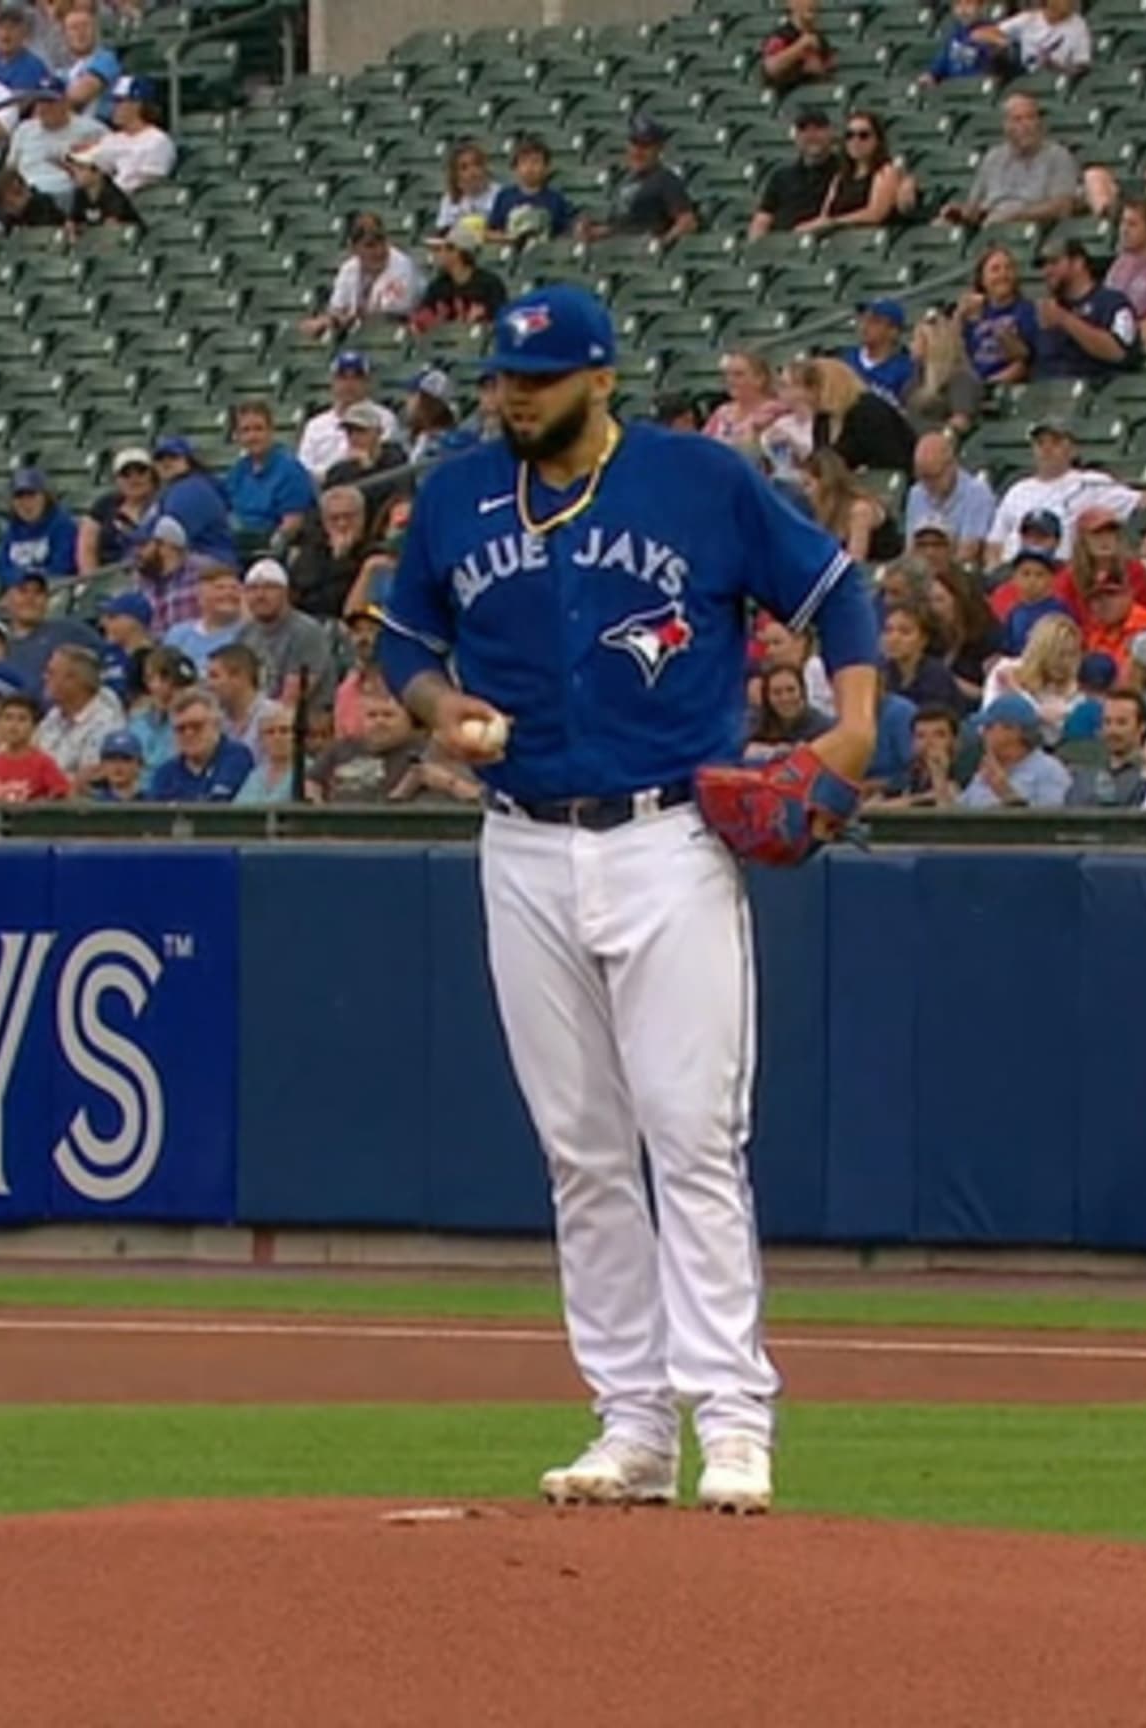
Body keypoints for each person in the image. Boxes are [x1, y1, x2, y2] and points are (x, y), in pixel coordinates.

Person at [376, 285, 881, 1518]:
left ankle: (735, 1421)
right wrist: (441, 712)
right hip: (523, 842)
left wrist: (855, 725)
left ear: (600, 379)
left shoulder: (696, 483)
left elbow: (837, 595)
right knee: (582, 1152)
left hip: (666, 838)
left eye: (535, 379)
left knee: (690, 1136)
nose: (510, 395)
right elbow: (403, 644)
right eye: (500, 375)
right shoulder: (455, 494)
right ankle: (631, 1422)